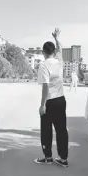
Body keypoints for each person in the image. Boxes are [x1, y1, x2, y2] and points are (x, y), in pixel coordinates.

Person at [34, 28, 69, 168]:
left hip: (50, 101)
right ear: (54, 52)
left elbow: (45, 87)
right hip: (61, 100)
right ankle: (63, 159)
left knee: (46, 129)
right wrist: (57, 38)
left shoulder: (43, 65)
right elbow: (60, 48)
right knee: (61, 130)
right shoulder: (59, 61)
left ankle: (48, 157)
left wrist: (42, 105)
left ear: (43, 52)